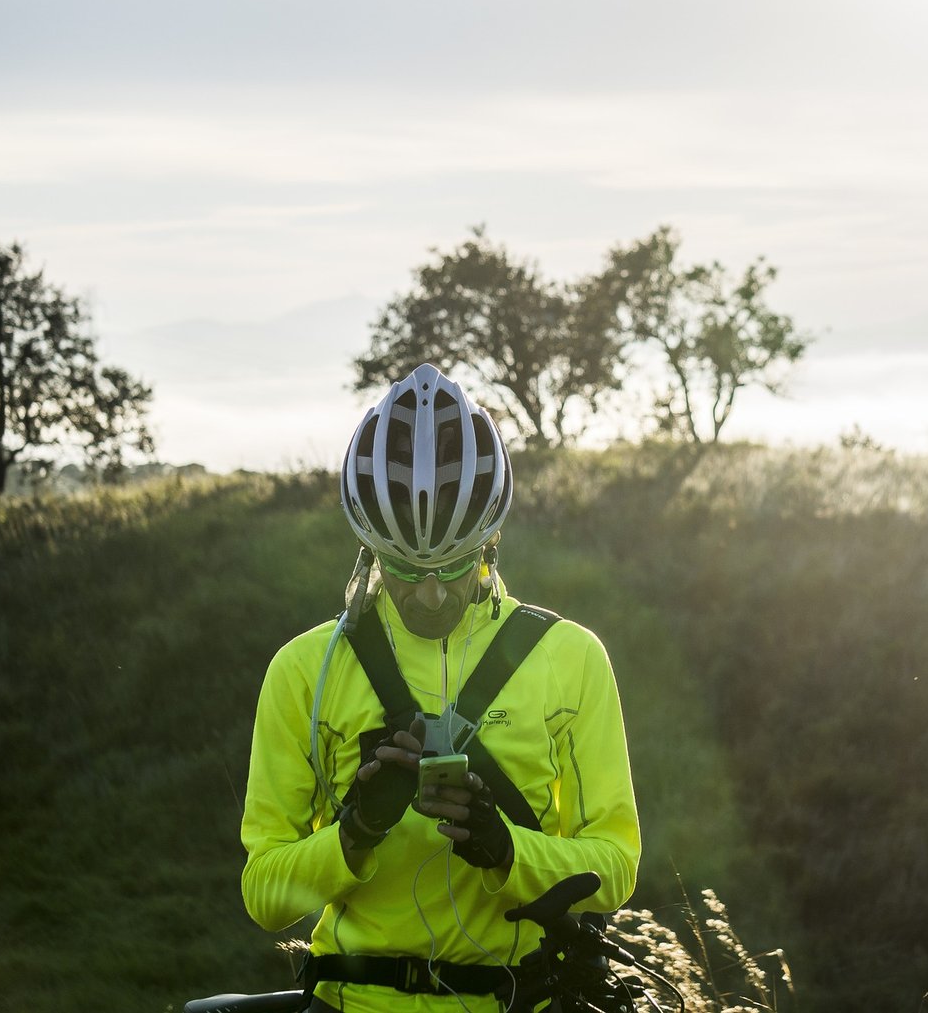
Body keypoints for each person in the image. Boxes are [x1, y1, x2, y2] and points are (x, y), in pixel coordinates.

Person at [240, 362, 641, 1013]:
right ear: (369, 550)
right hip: (354, 1001)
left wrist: (508, 848)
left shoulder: (571, 658)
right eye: (404, 565)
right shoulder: (303, 669)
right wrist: (355, 833)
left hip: (515, 1000)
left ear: (491, 539)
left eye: (454, 562)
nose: (430, 592)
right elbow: (264, 892)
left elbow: (616, 867)